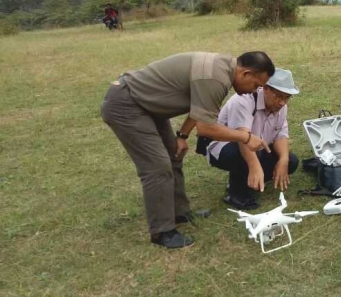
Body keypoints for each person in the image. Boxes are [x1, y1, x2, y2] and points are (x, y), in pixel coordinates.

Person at [101, 52, 274, 249]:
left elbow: (199, 106)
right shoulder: (216, 78)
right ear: (246, 74)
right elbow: (206, 128)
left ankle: (180, 213)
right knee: (157, 167)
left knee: (173, 155)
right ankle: (162, 231)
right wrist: (247, 137)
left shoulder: (224, 70)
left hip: (150, 107)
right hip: (128, 105)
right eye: (256, 85)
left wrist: (182, 136)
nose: (254, 91)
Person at [204, 68, 300, 210]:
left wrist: (283, 160)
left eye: (287, 97)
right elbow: (242, 138)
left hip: (257, 148)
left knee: (291, 161)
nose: (282, 103)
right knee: (242, 153)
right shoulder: (243, 100)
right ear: (265, 88)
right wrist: (255, 167)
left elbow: (280, 134)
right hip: (225, 148)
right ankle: (235, 193)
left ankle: (251, 180)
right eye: (279, 96)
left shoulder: (281, 106)